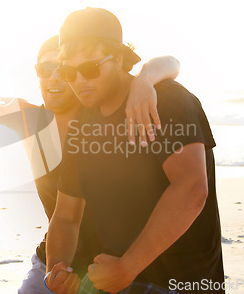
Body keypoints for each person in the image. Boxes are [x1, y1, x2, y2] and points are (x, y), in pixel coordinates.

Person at [45, 8, 224, 294]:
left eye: (90, 69)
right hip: (114, 280)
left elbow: (191, 188)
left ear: (117, 58)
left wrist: (128, 266)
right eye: (69, 72)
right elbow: (66, 215)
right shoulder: (82, 124)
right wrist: (57, 267)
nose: (79, 80)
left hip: (180, 283)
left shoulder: (167, 99)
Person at [18, 35, 181, 293]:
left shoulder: (107, 118)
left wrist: (144, 79)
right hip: (54, 261)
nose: (54, 78)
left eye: (62, 70)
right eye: (44, 69)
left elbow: (171, 62)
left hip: (106, 265)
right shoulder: (28, 119)